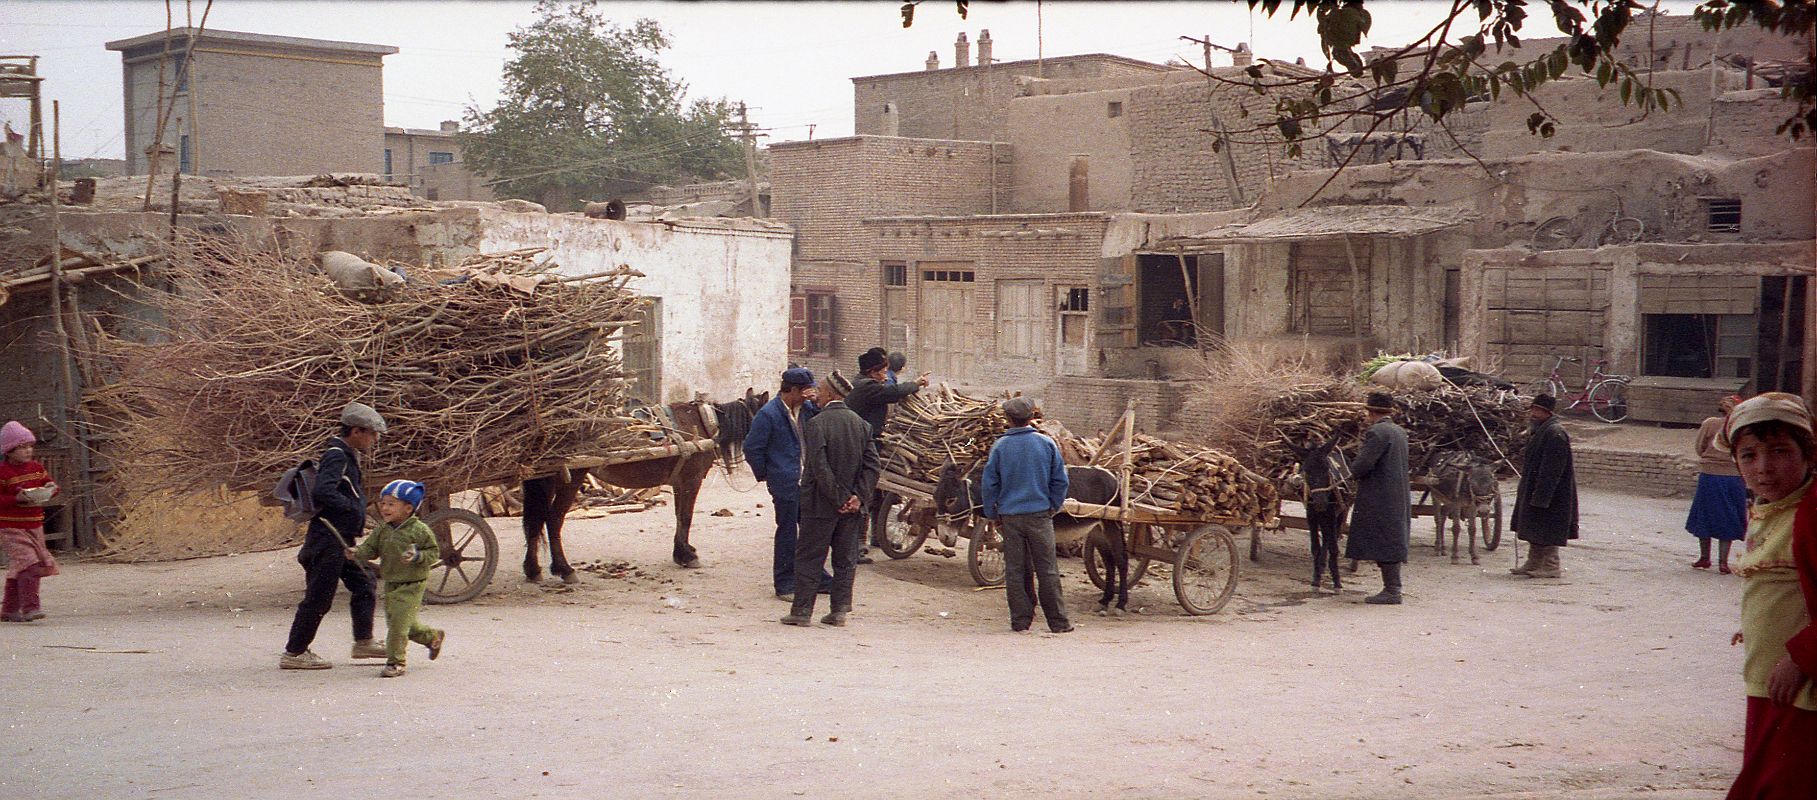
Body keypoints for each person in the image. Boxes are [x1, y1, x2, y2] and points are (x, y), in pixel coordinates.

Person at [1720, 392, 1817, 798]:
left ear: (1809, 454)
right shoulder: (1773, 509)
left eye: (1779, 452)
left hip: (1803, 688)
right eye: (1748, 455)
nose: (1763, 469)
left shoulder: (1811, 512)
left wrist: (1801, 656)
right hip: (1769, 682)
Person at [281, 402, 385, 670]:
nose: (374, 439)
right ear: (355, 431)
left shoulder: (346, 453)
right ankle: (294, 653)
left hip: (341, 539)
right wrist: (352, 508)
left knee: (365, 582)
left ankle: (364, 642)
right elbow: (324, 492)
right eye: (371, 434)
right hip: (328, 540)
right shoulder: (337, 455)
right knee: (318, 598)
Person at [782, 378, 880, 628]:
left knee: (809, 557)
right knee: (845, 558)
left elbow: (818, 467)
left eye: (821, 391)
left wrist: (838, 497)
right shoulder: (862, 425)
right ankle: (839, 612)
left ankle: (802, 612)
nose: (817, 395)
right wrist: (856, 497)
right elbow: (872, 466)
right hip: (852, 508)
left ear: (828, 393)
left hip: (819, 505)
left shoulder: (817, 424)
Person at [981, 397, 1074, 633]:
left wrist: (993, 512)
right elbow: (1060, 481)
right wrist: (1053, 506)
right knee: (1048, 569)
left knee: (1015, 569)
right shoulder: (1046, 444)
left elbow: (989, 484)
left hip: (1010, 517)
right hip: (1040, 515)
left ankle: (1020, 621)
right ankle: (1058, 622)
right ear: (1031, 418)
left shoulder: (1000, 447)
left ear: (1009, 420)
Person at [743, 368, 830, 601]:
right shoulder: (769, 414)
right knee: (788, 531)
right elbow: (752, 448)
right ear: (791, 390)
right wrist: (769, 474)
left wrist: (818, 404)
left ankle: (817, 577)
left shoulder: (808, 409)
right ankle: (784, 583)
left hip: (807, 480)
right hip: (785, 482)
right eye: (804, 391)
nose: (808, 394)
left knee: (812, 532)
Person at [347, 480, 445, 677]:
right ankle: (432, 637)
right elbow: (370, 549)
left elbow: (434, 553)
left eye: (391, 504)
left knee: (398, 626)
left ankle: (396, 662)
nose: (385, 507)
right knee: (401, 623)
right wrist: (357, 552)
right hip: (391, 583)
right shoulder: (382, 530)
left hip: (412, 584)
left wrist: (418, 557)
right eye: (383, 503)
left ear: (408, 508)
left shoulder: (419, 531)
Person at [847, 348, 929, 560]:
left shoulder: (866, 383)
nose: (886, 374)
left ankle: (877, 536)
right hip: (863, 444)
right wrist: (916, 384)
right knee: (864, 491)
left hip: (872, 442)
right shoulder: (866, 387)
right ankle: (856, 545)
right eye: (883, 370)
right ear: (873, 372)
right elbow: (892, 393)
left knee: (877, 492)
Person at [1345, 392, 1411, 605]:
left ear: (1371, 412)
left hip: (1380, 493)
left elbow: (1363, 465)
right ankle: (1393, 587)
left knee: (1384, 537)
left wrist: (1350, 471)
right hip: (1396, 492)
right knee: (1391, 535)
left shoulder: (1377, 432)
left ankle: (1392, 591)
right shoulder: (1399, 431)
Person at [1510, 394, 1579, 580]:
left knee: (1548, 527)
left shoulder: (1555, 433)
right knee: (1534, 526)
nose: (1532, 413)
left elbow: (1552, 470)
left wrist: (1542, 496)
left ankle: (1551, 566)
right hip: (1536, 487)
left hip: (1552, 492)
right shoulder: (1541, 430)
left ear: (1546, 412)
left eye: (1536, 410)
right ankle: (1533, 562)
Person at [0, 421, 59, 623]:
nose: (27, 451)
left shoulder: (36, 468)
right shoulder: (3, 473)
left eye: (29, 446)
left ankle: (8, 609)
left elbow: (50, 485)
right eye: (22, 447)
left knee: (20, 567)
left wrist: (50, 488)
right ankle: (30, 607)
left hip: (34, 524)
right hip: (10, 526)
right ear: (9, 451)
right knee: (29, 563)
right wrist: (16, 499)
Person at [1688, 395, 1748, 573]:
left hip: (1710, 475)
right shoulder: (1742, 427)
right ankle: (1723, 562)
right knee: (1728, 516)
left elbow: (1699, 448)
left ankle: (1704, 558)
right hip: (1734, 477)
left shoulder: (1709, 423)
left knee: (1705, 515)